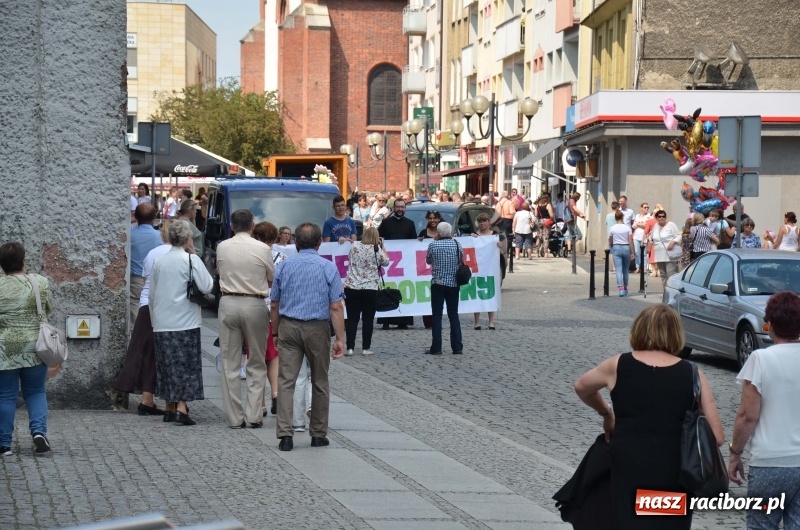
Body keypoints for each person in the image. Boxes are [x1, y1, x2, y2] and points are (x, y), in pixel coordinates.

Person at [574, 304, 724, 529]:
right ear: (676, 333)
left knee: (629, 522)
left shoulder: (618, 365)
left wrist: (606, 413)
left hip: (628, 463)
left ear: (639, 329)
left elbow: (581, 387)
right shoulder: (692, 374)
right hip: (673, 468)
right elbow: (717, 437)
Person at [271, 223, 346, 452]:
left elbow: (274, 303)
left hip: (289, 326)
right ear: (318, 242)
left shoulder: (284, 266)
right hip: (317, 328)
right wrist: (340, 338)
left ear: (296, 241)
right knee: (320, 381)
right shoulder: (327, 267)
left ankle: (285, 434)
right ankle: (318, 433)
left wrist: (275, 331)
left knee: (286, 381)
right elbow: (335, 307)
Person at [728, 291, 800, 530]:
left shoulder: (760, 359)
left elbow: (748, 416)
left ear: (769, 325)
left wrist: (735, 452)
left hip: (771, 462)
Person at [149, 221, 213, 426]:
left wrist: (154, 318)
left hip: (162, 321)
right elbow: (206, 286)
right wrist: (194, 253)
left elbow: (152, 294)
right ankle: (182, 408)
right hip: (185, 320)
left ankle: (169, 406)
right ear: (187, 239)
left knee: (167, 365)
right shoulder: (191, 259)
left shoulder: (159, 261)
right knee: (186, 366)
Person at [216, 209, 274, 429]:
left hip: (229, 301)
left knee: (230, 362)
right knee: (257, 360)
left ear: (232, 226)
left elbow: (220, 271)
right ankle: (253, 414)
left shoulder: (222, 246)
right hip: (254, 302)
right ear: (252, 226)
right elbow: (271, 277)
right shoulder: (262, 248)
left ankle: (234, 417)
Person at [0, 242, 57, 455]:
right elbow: (48, 309)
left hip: (5, 347)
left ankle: (3, 444)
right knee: (35, 392)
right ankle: (39, 434)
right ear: (24, 261)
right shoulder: (39, 282)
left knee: (5, 395)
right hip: (35, 346)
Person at [114, 224, 170, 417]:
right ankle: (169, 402)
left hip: (147, 305)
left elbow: (146, 278)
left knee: (145, 351)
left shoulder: (153, 253)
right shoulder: (182, 255)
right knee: (165, 353)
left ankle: (147, 399)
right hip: (168, 308)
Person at [252, 222, 288, 416]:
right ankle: (275, 393)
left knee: (256, 356)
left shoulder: (251, 256)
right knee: (273, 355)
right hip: (274, 310)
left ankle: (260, 404)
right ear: (274, 238)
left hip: (255, 307)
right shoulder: (282, 258)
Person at [343, 227, 389, 356]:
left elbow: (350, 259)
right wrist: (382, 245)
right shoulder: (376, 250)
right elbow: (386, 262)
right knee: (368, 319)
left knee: (352, 319)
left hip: (352, 286)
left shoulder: (355, 247)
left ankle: (350, 348)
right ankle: (365, 348)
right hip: (369, 288)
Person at [424, 222, 463, 356]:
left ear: (438, 233)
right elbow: (461, 260)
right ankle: (457, 347)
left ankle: (436, 347)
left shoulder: (433, 245)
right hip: (453, 283)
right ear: (450, 233)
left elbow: (428, 261)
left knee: (437, 316)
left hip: (438, 283)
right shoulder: (457, 244)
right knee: (453, 315)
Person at [378, 198, 416, 330]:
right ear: (393, 208)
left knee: (403, 289)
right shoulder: (386, 223)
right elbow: (378, 239)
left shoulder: (410, 224)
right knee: (387, 288)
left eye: (402, 207)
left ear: (405, 209)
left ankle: (403, 321)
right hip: (388, 264)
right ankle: (386, 320)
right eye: (398, 207)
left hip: (404, 263)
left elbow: (414, 244)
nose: (400, 209)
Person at [130, 204, 164, 326]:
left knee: (135, 316)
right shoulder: (160, 237)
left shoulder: (130, 236)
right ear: (154, 217)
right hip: (157, 280)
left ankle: (136, 342)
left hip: (136, 280)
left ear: (135, 216)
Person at [472, 213, 501, 330]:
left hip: (490, 268)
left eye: (484, 221)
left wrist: (499, 245)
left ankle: (491, 322)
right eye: (480, 221)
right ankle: (477, 322)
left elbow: (501, 251)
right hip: (478, 268)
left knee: (490, 293)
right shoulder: (475, 236)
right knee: (476, 293)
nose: (482, 223)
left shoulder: (494, 235)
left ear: (489, 222)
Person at [418, 211, 442, 329]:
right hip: (424, 271)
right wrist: (418, 241)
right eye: (430, 218)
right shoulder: (423, 233)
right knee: (425, 294)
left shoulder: (444, 233)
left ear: (439, 219)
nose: (432, 220)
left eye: (435, 218)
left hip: (439, 270)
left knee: (437, 296)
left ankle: (437, 320)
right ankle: (427, 321)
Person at [649, 209, 682, 288]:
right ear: (656, 218)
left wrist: (673, 242)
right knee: (663, 274)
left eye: (663, 216)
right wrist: (648, 248)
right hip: (659, 254)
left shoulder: (671, 224)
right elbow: (651, 238)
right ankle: (665, 292)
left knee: (670, 274)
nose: (661, 218)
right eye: (659, 216)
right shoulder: (655, 226)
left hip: (670, 253)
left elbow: (678, 236)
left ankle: (672, 292)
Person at [608, 210, 635, 297]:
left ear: (615, 218)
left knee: (618, 269)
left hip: (616, 247)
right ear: (622, 217)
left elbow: (610, 240)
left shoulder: (612, 228)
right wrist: (632, 252)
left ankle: (620, 289)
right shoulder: (627, 228)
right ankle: (626, 287)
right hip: (626, 247)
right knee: (625, 270)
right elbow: (630, 240)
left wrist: (611, 247)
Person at [632, 203, 651, 273]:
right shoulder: (637, 216)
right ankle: (637, 267)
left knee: (644, 252)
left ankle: (645, 267)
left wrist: (638, 224)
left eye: (647, 207)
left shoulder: (649, 216)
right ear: (641, 208)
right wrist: (640, 224)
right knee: (637, 252)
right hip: (636, 236)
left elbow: (646, 226)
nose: (646, 209)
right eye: (645, 207)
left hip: (644, 236)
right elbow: (634, 225)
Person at [605, 201, 619, 273]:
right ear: (617, 207)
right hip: (617, 235)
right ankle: (617, 267)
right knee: (617, 251)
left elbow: (606, 224)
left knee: (611, 252)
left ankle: (613, 267)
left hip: (610, 235)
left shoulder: (608, 216)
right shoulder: (618, 215)